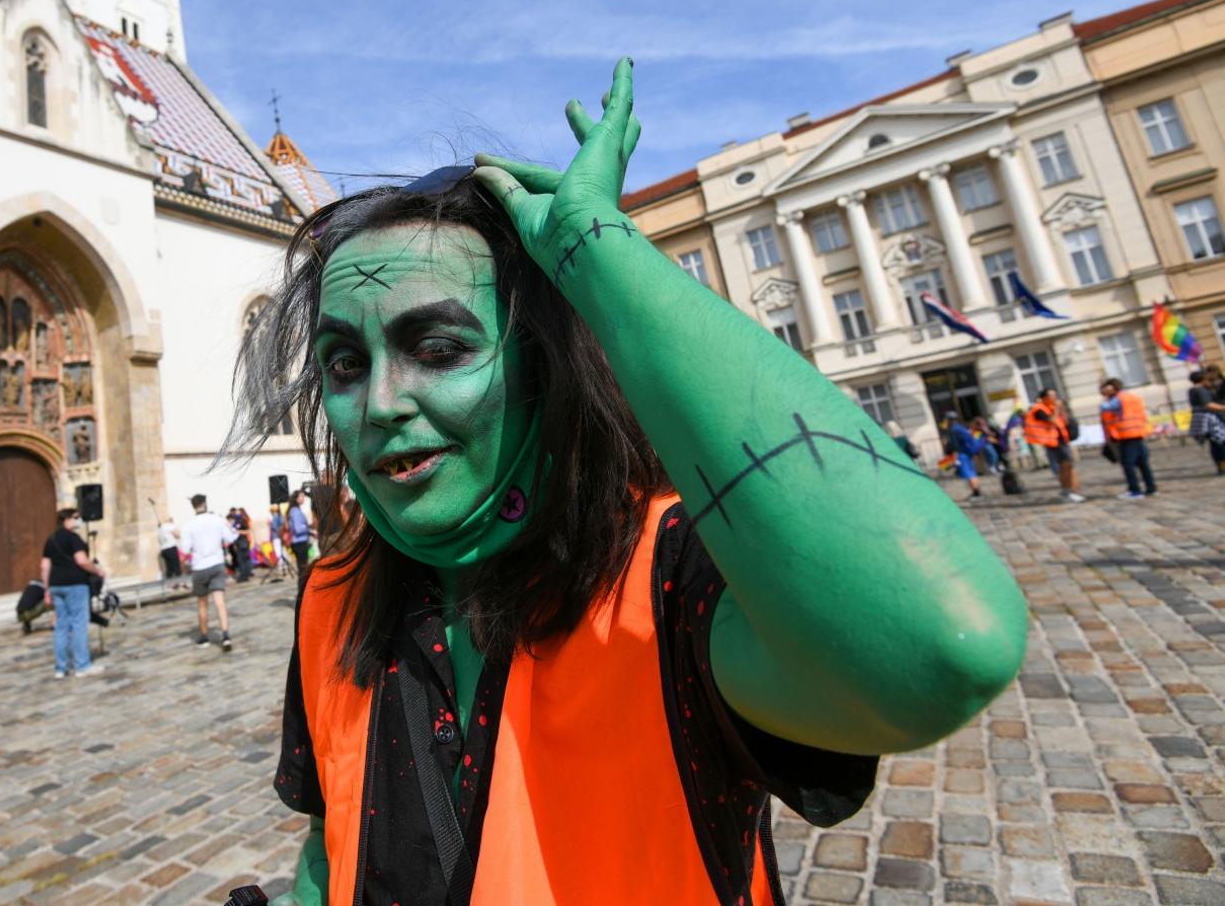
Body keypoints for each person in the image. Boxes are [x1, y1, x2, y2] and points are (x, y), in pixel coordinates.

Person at [221, 61, 1026, 906]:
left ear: (544, 370)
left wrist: (592, 255)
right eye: (346, 363)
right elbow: (332, 838)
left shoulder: (673, 575)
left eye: (440, 349)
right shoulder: (333, 596)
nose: (380, 403)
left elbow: (942, 645)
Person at [42, 507, 105, 678]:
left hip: (56, 585)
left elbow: (45, 566)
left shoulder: (51, 539)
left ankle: (61, 667)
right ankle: (81, 665)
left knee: (61, 626)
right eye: (76, 517)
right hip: (75, 584)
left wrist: (46, 589)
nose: (79, 521)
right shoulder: (73, 538)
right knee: (79, 624)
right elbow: (81, 560)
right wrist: (97, 570)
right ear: (67, 519)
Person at [184, 494, 236, 650]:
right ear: (205, 504)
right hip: (217, 563)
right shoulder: (217, 520)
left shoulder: (189, 525)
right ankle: (225, 636)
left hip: (200, 566)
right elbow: (230, 538)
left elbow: (185, 549)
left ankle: (204, 637)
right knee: (220, 601)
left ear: (193, 506)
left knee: (202, 603)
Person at [1099, 378, 1156, 499]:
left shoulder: (1118, 399)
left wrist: (1105, 396)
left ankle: (1135, 490)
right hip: (1138, 431)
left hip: (1126, 434)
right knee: (1142, 463)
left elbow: (1105, 407)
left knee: (1128, 464)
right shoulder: (1133, 397)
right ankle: (1151, 488)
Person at [1025, 387, 1085, 502]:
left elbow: (1064, 421)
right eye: (1052, 396)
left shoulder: (1050, 407)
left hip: (1061, 441)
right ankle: (1068, 491)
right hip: (1053, 442)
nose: (1055, 398)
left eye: (1055, 395)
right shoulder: (1039, 409)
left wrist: (1061, 410)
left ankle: (1066, 490)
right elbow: (1051, 420)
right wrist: (1057, 409)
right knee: (1065, 466)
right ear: (1044, 398)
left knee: (1065, 466)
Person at [1187, 368, 1225, 473]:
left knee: (1216, 443)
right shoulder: (1200, 390)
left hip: (1202, 419)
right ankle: (1222, 465)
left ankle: (1220, 465)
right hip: (1209, 419)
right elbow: (1208, 405)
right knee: (1220, 443)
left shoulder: (1193, 390)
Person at [943, 412, 983, 499]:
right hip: (968, 453)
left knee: (969, 475)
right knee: (972, 473)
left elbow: (955, 446)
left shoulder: (952, 430)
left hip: (962, 455)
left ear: (949, 420)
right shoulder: (961, 428)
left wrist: (954, 459)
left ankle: (977, 494)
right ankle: (977, 492)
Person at [285, 489, 315, 586]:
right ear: (296, 498)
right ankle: (301, 595)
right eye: (301, 496)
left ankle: (302, 593)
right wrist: (310, 531)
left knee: (303, 569)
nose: (304, 498)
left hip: (299, 542)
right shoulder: (295, 511)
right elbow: (298, 529)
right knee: (303, 570)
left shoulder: (295, 510)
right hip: (300, 543)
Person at [157, 517, 189, 591]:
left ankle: (170, 585)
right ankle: (181, 583)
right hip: (171, 547)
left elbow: (159, 540)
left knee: (169, 568)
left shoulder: (160, 529)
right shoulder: (170, 525)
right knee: (176, 566)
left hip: (163, 550)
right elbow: (177, 535)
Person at [228, 506, 254, 582]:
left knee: (243, 559)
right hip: (239, 543)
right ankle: (245, 575)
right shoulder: (237, 522)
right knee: (242, 559)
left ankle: (244, 575)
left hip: (243, 542)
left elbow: (248, 531)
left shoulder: (242, 521)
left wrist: (238, 532)